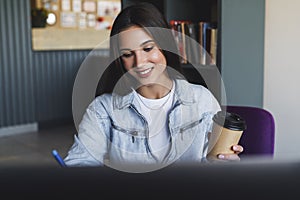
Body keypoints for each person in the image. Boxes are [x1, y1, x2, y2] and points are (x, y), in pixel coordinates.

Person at [64, 2, 243, 172]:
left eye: (148, 49)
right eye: (127, 54)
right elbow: (79, 164)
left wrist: (225, 164)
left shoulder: (202, 100)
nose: (139, 62)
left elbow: (213, 168)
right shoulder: (103, 110)